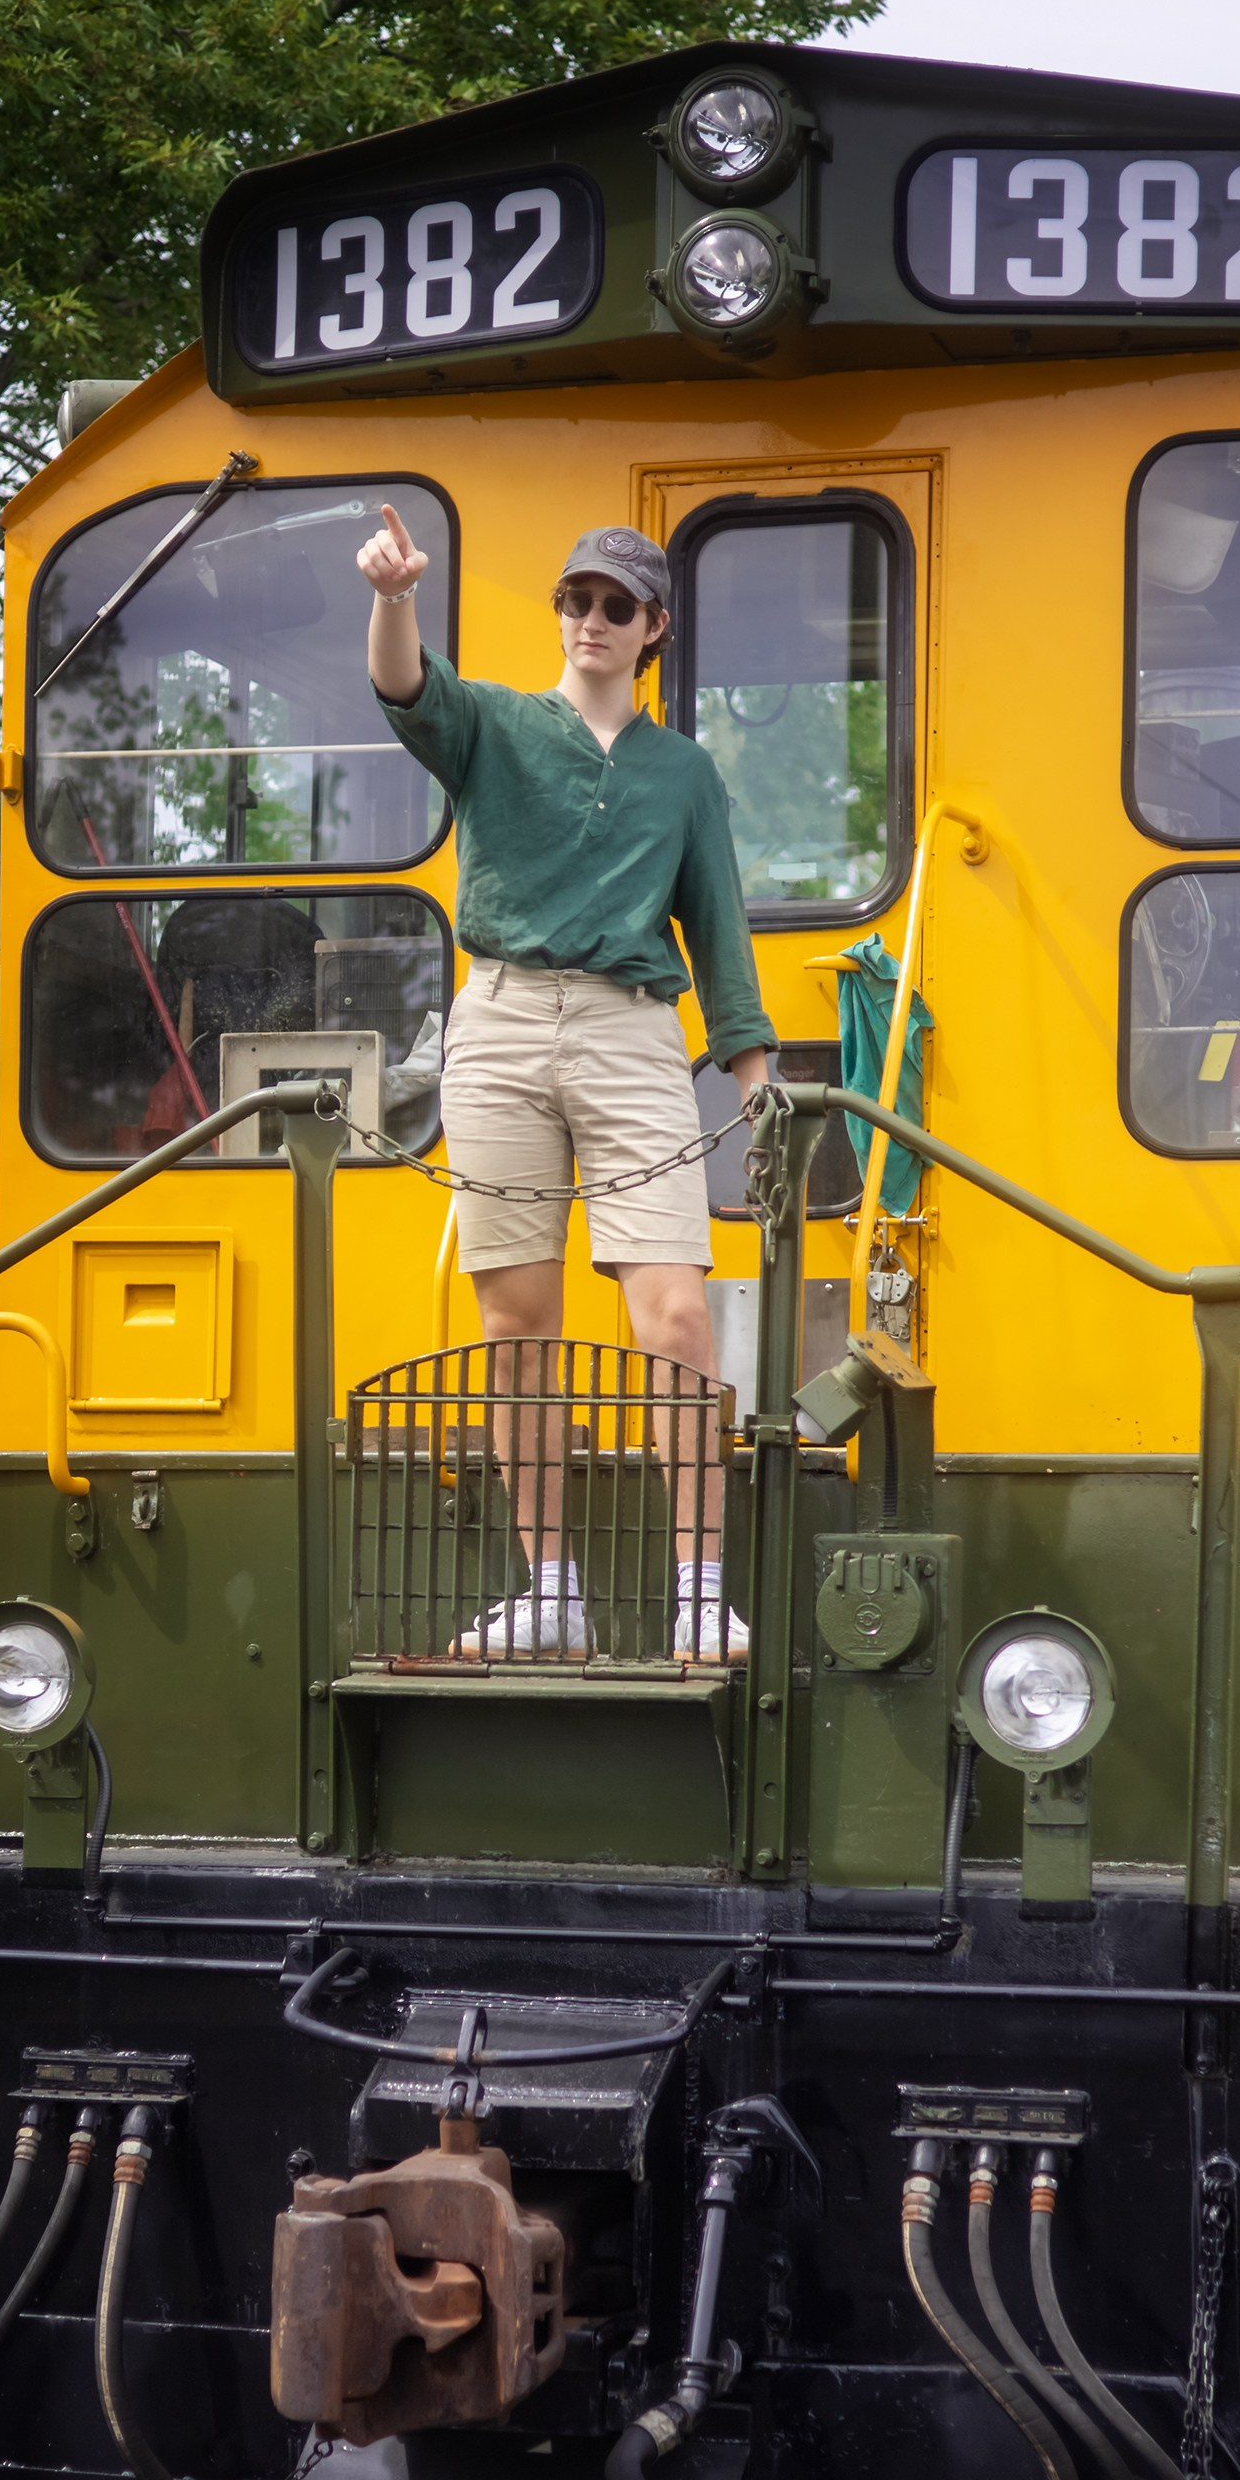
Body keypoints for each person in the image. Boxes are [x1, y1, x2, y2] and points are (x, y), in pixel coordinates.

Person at [359, 504, 776, 1657]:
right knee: (516, 1322)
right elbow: (404, 689)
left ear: (655, 630)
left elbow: (720, 928)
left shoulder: (684, 775)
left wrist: (751, 1070)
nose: (589, 620)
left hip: (634, 1033)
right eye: (574, 600)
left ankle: (700, 1590)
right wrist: (394, 594)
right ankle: (550, 1593)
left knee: (678, 1316)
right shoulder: (493, 723)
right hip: (494, 1026)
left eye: (615, 606)